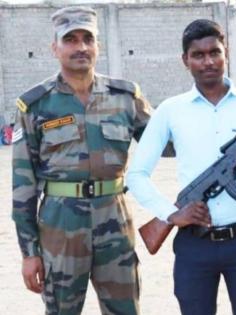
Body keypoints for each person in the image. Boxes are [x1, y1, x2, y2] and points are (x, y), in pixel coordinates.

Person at [126, 19, 236, 315]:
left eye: (215, 52)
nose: (208, 61)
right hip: (194, 246)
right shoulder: (171, 110)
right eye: (198, 55)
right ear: (185, 60)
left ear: (226, 54)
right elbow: (136, 175)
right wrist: (172, 214)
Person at [12, 6, 151, 314]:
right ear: (55, 47)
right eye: (71, 39)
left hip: (114, 219)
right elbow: (23, 189)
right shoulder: (35, 105)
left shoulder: (125, 98)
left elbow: (166, 146)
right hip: (60, 226)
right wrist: (29, 253)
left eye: (88, 38)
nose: (81, 47)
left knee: (126, 310)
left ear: (97, 45)